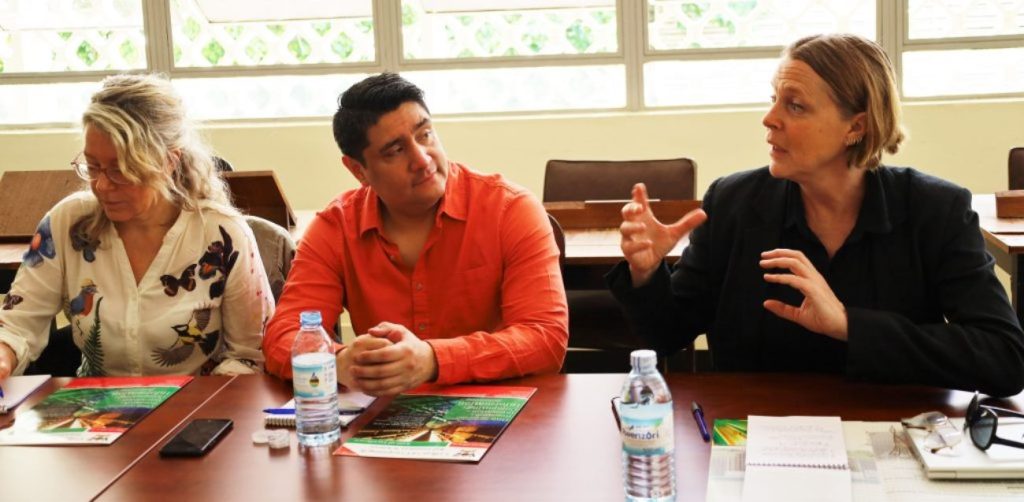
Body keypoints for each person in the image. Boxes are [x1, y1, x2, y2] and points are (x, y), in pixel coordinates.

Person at [609, 33, 1024, 397]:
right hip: (755, 433)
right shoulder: (733, 203)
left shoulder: (934, 210)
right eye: (774, 100)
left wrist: (849, 325)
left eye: (795, 106)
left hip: (896, 434)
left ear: (856, 126)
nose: (770, 119)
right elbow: (666, 335)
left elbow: (1004, 359)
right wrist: (647, 275)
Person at [263, 73, 568, 395]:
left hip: (501, 406)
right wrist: (340, 362)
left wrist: (433, 359)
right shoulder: (336, 226)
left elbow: (545, 339)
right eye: (395, 151)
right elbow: (283, 336)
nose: (422, 160)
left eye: (425, 135)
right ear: (358, 170)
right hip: (388, 417)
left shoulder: (509, 209)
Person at [0, 74, 273, 378]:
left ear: (170, 161)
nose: (102, 185)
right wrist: (4, 354)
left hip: (197, 410)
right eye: (92, 167)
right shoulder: (67, 224)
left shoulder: (222, 235)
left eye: (122, 170)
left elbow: (251, 356)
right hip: (95, 413)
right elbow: (17, 323)